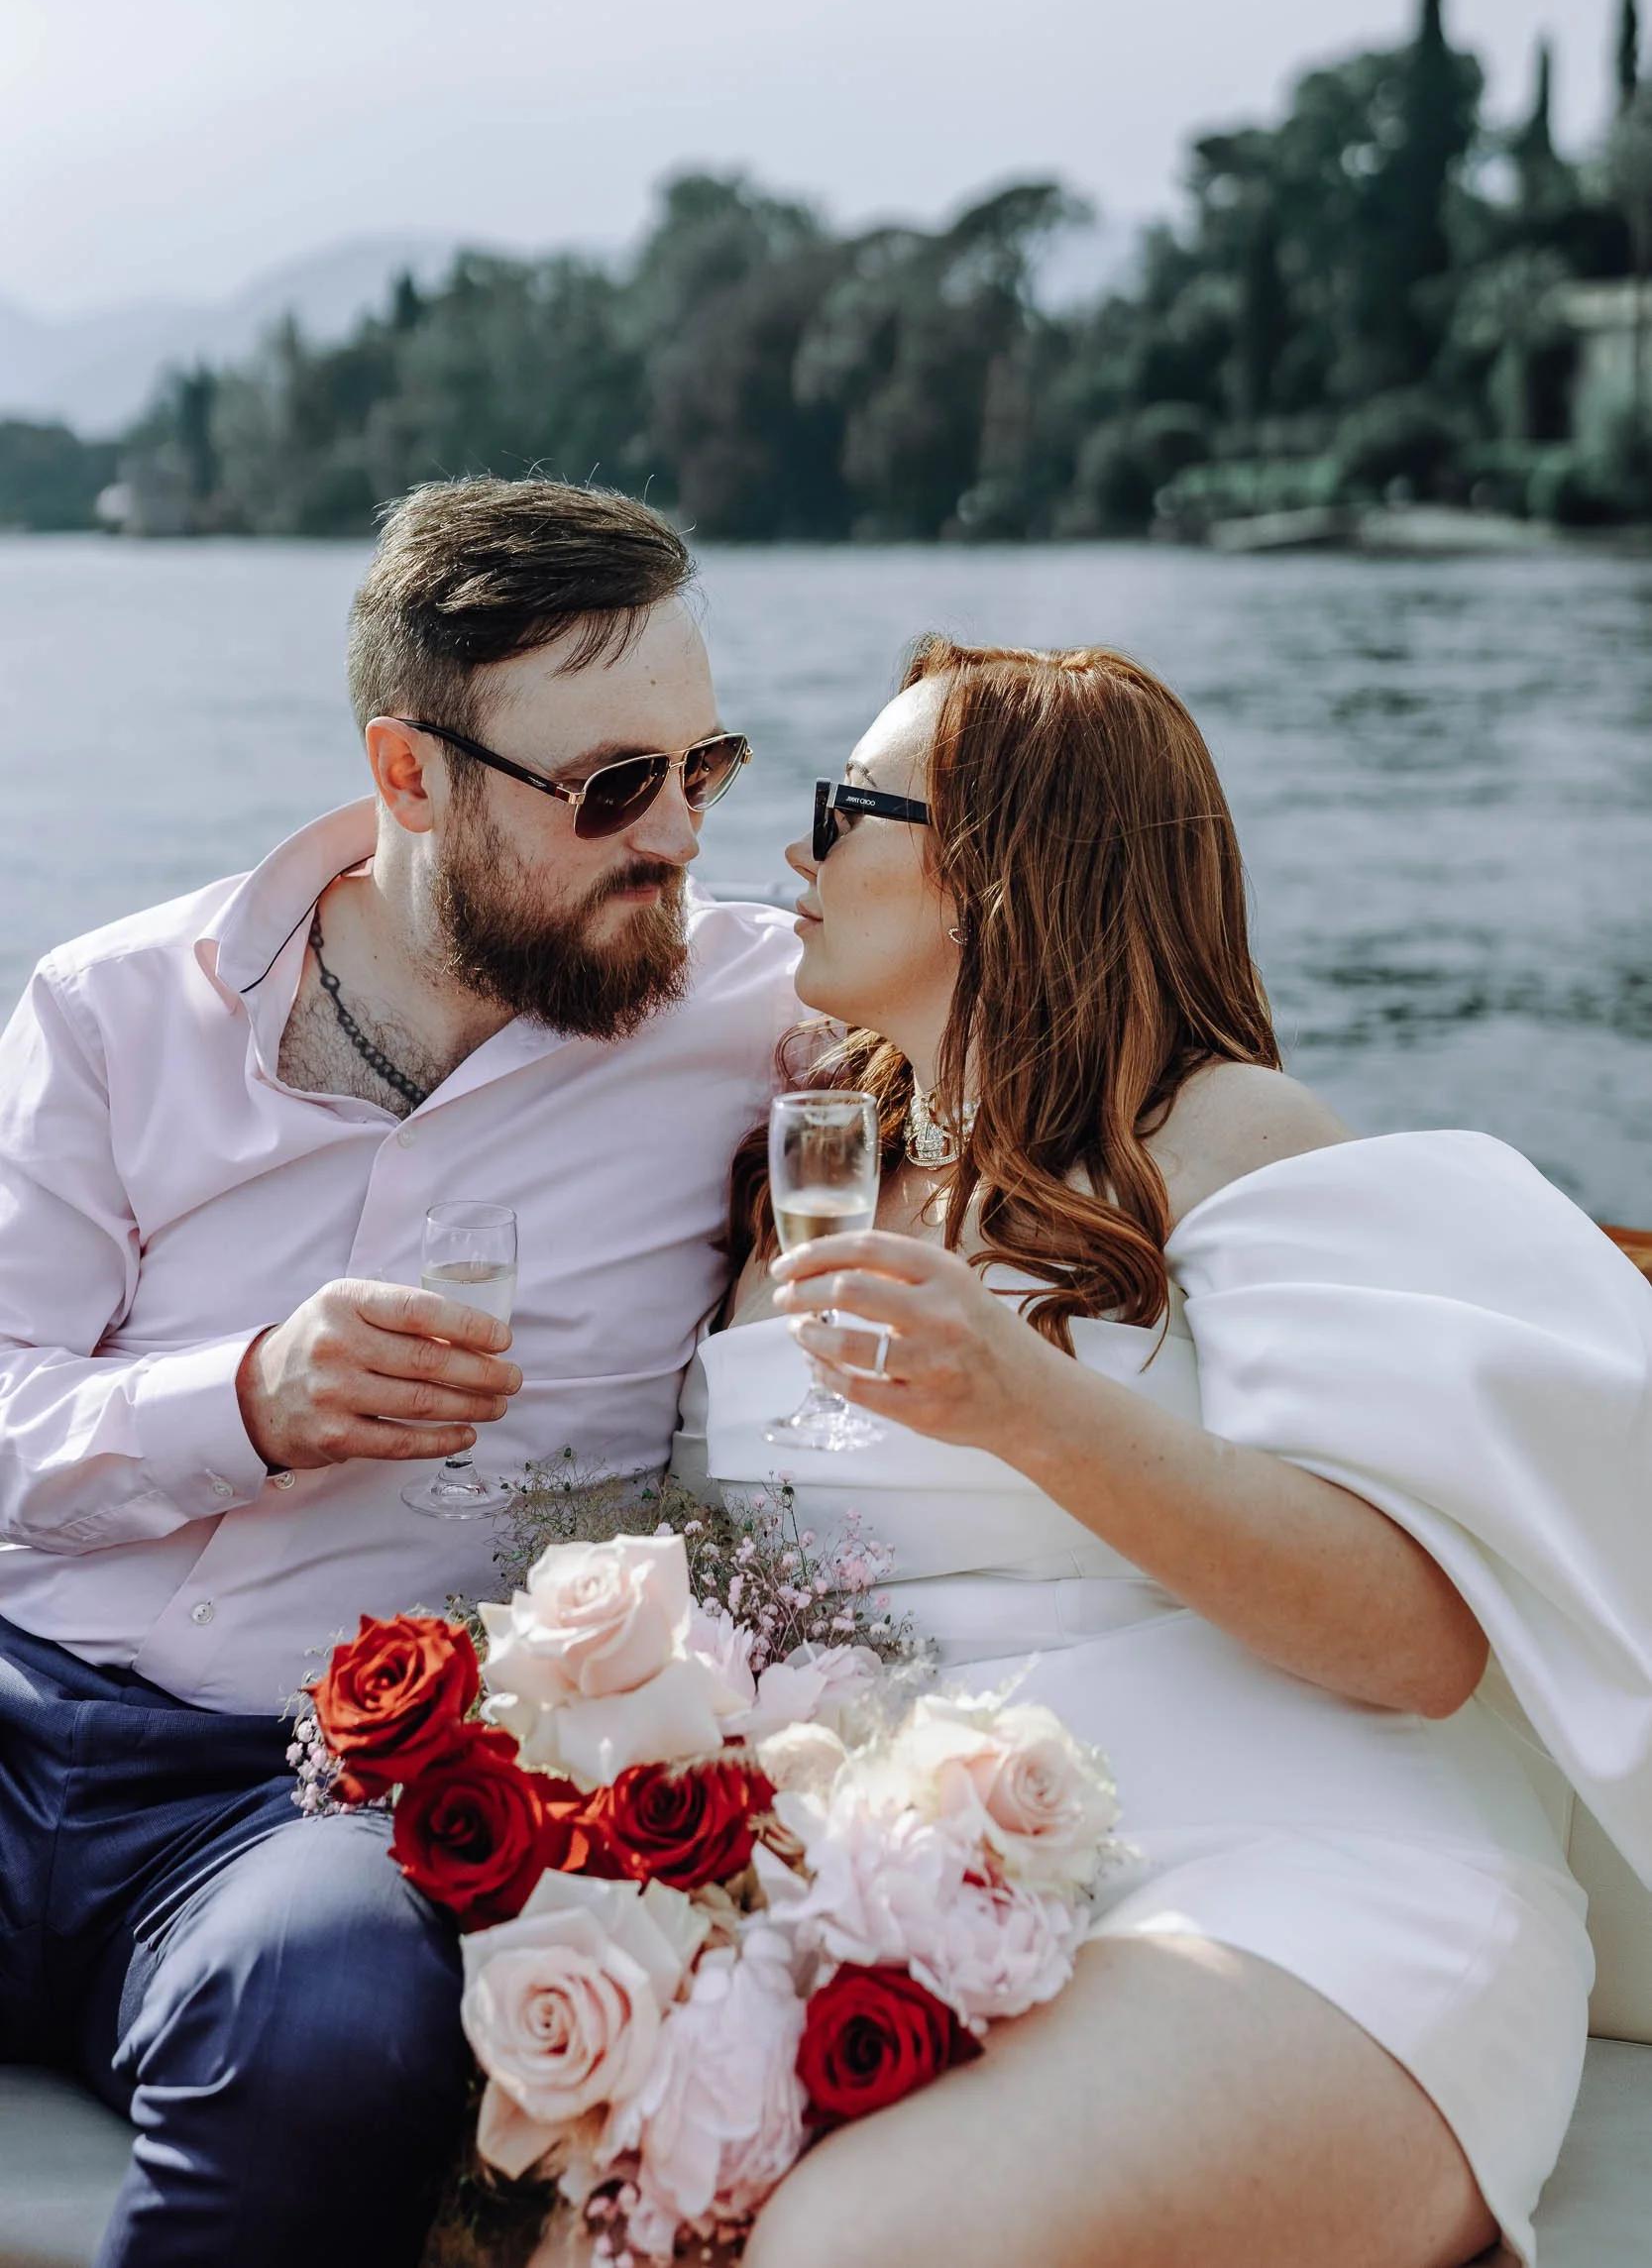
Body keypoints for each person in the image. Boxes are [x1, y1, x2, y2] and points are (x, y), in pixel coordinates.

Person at [677, 635, 1652, 2268]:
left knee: (863, 2251)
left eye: (849, 806)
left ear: (998, 868)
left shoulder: (1221, 1138)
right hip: (904, 1882)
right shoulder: (803, 1174)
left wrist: (1030, 1406)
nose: (795, 846)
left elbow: (1410, 1645)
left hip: (1296, 1868)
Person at [0, 479, 799, 2267]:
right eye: (610, 788)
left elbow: (1106, 1027)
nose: (674, 835)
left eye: (704, 768)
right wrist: (247, 1403)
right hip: (17, 1694)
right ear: (409, 773)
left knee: (340, 2026)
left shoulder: (760, 1017)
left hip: (306, 1799)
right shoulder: (114, 1008)